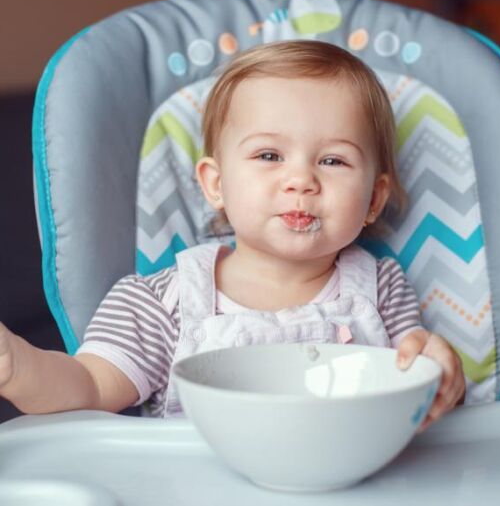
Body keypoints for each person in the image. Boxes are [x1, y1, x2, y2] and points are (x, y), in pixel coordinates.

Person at [0, 41, 465, 429]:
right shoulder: (164, 302)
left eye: (333, 160)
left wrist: (442, 378)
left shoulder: (382, 290)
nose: (300, 180)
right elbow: (90, 387)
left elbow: (418, 400)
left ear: (374, 200)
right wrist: (19, 367)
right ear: (216, 184)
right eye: (268, 155)